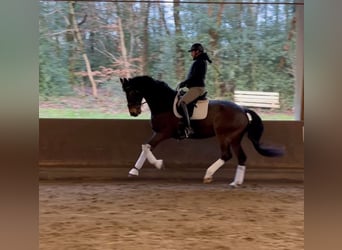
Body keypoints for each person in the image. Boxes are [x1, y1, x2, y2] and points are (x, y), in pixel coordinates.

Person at [177, 43, 212, 138]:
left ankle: (189, 128)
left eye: (192, 52)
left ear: (197, 52)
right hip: (194, 87)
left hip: (197, 88)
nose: (191, 54)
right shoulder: (199, 61)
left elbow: (195, 78)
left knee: (182, 102)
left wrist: (184, 83)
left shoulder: (200, 62)